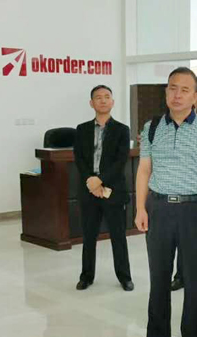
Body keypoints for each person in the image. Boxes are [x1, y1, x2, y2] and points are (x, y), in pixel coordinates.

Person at [134, 67, 197, 337]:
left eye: (185, 89)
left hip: (195, 210)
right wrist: (140, 208)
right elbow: (144, 170)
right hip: (159, 208)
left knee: (195, 279)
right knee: (159, 276)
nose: (177, 95)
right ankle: (157, 335)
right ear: (166, 92)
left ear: (196, 95)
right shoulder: (151, 127)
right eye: (172, 88)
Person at [73, 85, 133, 292]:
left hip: (113, 191)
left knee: (118, 236)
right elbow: (79, 159)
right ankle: (86, 276)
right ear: (92, 103)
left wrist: (100, 180)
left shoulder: (122, 130)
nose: (103, 100)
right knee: (89, 237)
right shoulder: (82, 129)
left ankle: (125, 277)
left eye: (107, 97)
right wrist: (91, 182)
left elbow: (120, 161)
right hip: (89, 191)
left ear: (112, 102)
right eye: (98, 97)